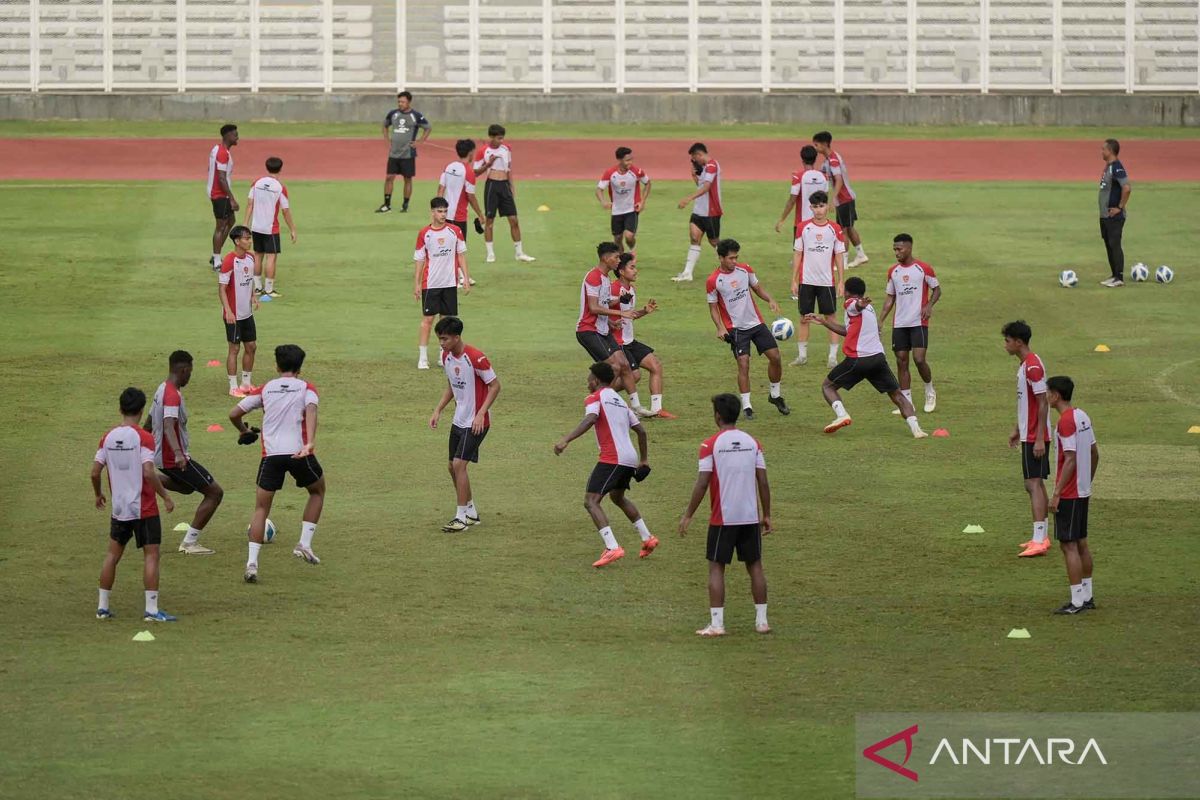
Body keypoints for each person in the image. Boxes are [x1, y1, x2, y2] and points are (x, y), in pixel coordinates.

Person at [229, 344, 326, 583]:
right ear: (300, 368)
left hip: (270, 456)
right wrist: (310, 442)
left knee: (261, 508)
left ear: (276, 365)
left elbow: (234, 413)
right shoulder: (307, 388)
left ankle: (252, 564)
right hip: (298, 453)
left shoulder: (266, 389)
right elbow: (312, 409)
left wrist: (243, 431)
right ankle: (304, 543)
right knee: (317, 491)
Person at [679, 393, 772, 637]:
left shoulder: (709, 445)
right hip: (750, 516)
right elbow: (763, 481)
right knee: (755, 566)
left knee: (716, 568)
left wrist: (688, 514)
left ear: (717, 416)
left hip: (723, 518)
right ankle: (762, 622)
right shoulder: (753, 442)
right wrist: (767, 514)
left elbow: (702, 483)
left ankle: (717, 624)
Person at [553, 362, 657, 568]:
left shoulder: (595, 397)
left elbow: (591, 419)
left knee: (591, 501)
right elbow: (642, 432)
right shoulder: (620, 400)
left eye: (588, 379)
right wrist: (643, 460)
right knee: (617, 497)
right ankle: (647, 538)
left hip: (612, 458)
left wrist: (566, 439)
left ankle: (612, 547)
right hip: (629, 458)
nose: (587, 383)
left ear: (596, 381)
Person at [92, 387, 177, 622]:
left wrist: (98, 494)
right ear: (141, 411)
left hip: (119, 509)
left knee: (112, 555)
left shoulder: (107, 437)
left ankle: (102, 607)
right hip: (145, 507)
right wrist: (166, 497)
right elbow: (149, 472)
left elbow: (95, 471)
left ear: (120, 409)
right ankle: (151, 610)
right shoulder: (143, 437)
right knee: (151, 555)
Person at [805, 277, 928, 438]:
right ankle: (917, 430)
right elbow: (847, 331)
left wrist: (858, 304)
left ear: (847, 292)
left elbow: (854, 306)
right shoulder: (869, 309)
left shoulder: (850, 304)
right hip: (877, 359)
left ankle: (842, 415)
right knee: (897, 394)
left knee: (828, 386)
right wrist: (824, 321)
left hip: (858, 359)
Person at [145, 350, 225, 555]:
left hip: (162, 457)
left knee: (188, 487)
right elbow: (167, 424)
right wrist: (179, 454)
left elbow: (149, 421)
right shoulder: (171, 395)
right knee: (214, 492)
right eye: (190, 372)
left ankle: (148, 479)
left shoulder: (161, 389)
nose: (190, 376)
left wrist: (138, 441)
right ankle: (190, 542)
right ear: (183, 370)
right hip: (173, 458)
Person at [428, 315, 501, 532]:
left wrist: (481, 414)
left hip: (476, 423)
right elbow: (452, 385)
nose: (441, 344)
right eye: (439, 339)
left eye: (444, 339)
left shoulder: (476, 358)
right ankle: (471, 512)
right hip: (459, 420)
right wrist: (438, 409)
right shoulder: (447, 356)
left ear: (457, 337)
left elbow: (495, 386)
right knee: (452, 466)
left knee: (460, 465)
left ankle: (461, 518)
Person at [705, 239, 789, 420]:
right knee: (743, 364)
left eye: (736, 257)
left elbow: (757, 288)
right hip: (735, 329)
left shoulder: (745, 270)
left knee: (775, 357)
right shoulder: (713, 281)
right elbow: (713, 307)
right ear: (720, 258)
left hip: (756, 323)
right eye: (730, 258)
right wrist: (720, 328)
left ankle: (775, 395)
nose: (734, 261)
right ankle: (747, 406)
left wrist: (770, 300)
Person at [1046, 376, 1099, 614]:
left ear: (1056, 395)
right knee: (1081, 543)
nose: (1046, 397)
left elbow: (1070, 458)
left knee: (1068, 545)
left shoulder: (1065, 422)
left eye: (1048, 393)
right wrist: (1087, 481)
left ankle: (1077, 601)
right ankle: (1087, 596)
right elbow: (1094, 453)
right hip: (1082, 490)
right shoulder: (1082, 416)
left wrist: (1056, 493)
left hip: (1069, 492)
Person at [1002, 320, 1052, 557]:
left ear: (1018, 342)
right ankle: (1041, 537)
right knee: (1035, 483)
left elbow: (1043, 403)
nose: (1005, 345)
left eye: (1007, 340)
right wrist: (1017, 429)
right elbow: (1028, 403)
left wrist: (1039, 438)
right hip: (1030, 433)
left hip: (1036, 435)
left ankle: (1039, 540)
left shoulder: (1032, 367)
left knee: (1032, 484)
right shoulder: (1027, 364)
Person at [575, 243, 644, 413]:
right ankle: (596, 398)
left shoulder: (605, 278)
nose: (618, 261)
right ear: (605, 258)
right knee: (613, 367)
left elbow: (603, 303)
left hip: (602, 329)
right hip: (588, 330)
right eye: (616, 257)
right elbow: (593, 307)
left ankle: (636, 407)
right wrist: (621, 313)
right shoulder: (594, 277)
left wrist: (618, 303)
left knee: (625, 365)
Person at [880, 233, 941, 415]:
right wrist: (881, 320)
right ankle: (907, 403)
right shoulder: (893, 271)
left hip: (918, 321)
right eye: (895, 250)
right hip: (900, 323)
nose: (897, 253)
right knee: (901, 361)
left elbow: (937, 289)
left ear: (909, 247)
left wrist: (929, 305)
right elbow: (890, 298)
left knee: (919, 359)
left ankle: (929, 390)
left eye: (899, 249)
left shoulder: (923, 268)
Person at [790, 190, 846, 368]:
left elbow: (839, 256)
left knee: (831, 318)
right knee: (804, 318)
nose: (819, 210)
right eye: (815, 207)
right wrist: (793, 280)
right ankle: (802, 356)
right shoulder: (802, 227)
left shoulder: (835, 229)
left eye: (822, 206)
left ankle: (832, 357)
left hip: (826, 282)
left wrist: (841, 280)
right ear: (810, 208)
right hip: (806, 281)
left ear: (827, 207)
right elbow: (798, 254)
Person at [612, 253, 671, 418]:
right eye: (632, 267)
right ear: (622, 271)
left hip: (630, 341)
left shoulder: (631, 289)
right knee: (634, 376)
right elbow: (602, 313)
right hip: (619, 342)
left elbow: (629, 314)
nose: (636, 271)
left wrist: (644, 311)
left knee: (655, 366)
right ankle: (601, 393)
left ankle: (657, 409)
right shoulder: (614, 289)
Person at [414, 197, 470, 370]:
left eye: (445, 211)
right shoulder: (425, 233)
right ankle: (423, 357)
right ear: (432, 212)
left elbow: (460, 255)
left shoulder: (455, 231)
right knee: (428, 320)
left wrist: (465, 278)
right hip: (430, 284)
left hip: (449, 283)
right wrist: (416, 283)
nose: (443, 214)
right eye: (439, 211)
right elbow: (419, 260)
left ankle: (443, 356)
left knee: (446, 322)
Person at [473, 124, 536, 263]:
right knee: (490, 221)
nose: (501, 141)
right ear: (491, 137)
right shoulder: (482, 151)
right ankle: (490, 253)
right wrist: (488, 164)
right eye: (498, 138)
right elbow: (475, 172)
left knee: (514, 219)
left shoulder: (506, 149)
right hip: (492, 186)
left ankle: (519, 253)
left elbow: (509, 169)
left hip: (504, 186)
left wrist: (512, 186)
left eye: (502, 138)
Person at [812, 131, 867, 268]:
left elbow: (839, 180)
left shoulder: (833, 160)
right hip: (845, 199)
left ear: (824, 144)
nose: (815, 148)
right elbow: (822, 176)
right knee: (848, 227)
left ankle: (844, 262)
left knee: (843, 230)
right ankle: (861, 255)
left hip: (844, 199)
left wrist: (832, 200)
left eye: (816, 144)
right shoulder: (827, 161)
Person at [244, 156, 296, 299]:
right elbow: (285, 211)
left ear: (267, 168)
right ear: (280, 169)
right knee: (271, 258)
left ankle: (257, 288)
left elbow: (250, 204)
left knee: (258, 256)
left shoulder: (257, 183)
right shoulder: (280, 188)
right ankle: (269, 289)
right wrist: (292, 229)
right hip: (271, 228)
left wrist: (245, 224)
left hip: (256, 227)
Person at [218, 225, 260, 397]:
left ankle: (246, 383)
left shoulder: (250, 258)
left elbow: (248, 280)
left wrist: (253, 296)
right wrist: (228, 311)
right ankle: (233, 387)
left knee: (251, 346)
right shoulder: (229, 261)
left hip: (247, 313)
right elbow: (222, 289)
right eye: (246, 238)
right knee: (234, 349)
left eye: (250, 238)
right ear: (237, 241)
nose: (249, 241)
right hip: (233, 314)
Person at [672, 143, 723, 282]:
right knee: (694, 238)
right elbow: (701, 185)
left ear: (699, 154)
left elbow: (706, 188)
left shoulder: (712, 166)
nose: (694, 161)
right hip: (699, 210)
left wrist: (688, 199)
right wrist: (694, 176)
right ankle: (687, 273)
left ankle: (731, 265)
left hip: (711, 211)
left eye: (695, 158)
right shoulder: (704, 168)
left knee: (714, 242)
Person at [438, 138, 486, 286]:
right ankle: (456, 278)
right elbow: (470, 196)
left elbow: (440, 189)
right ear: (471, 153)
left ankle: (460, 275)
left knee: (450, 247)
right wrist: (480, 214)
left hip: (445, 214)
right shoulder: (469, 172)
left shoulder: (449, 166)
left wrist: (438, 211)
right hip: (459, 216)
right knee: (458, 248)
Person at [377, 91, 431, 213]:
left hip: (408, 154)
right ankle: (386, 205)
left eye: (403, 102)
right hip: (394, 153)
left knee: (407, 179)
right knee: (389, 177)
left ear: (409, 102)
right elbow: (385, 125)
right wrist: (386, 139)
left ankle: (405, 205)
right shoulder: (393, 114)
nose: (400, 104)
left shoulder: (416, 115)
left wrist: (420, 141)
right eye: (399, 101)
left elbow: (428, 127)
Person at [596, 146, 651, 254]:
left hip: (632, 209)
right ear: (620, 160)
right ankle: (621, 261)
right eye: (627, 160)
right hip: (617, 210)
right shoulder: (610, 173)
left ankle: (632, 251)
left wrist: (642, 201)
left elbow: (648, 183)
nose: (630, 162)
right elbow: (599, 190)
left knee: (629, 236)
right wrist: (603, 202)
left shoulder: (637, 171)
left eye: (631, 159)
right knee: (617, 239)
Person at [1098, 138, 1132, 287]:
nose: (1102, 152)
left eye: (1103, 149)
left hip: (1114, 216)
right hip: (1105, 215)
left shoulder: (1116, 167)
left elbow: (1127, 188)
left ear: (1110, 151)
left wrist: (1120, 206)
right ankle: (1114, 275)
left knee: (1115, 244)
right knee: (1109, 245)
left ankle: (1119, 277)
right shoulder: (1108, 167)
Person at [775, 144, 827, 237]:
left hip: (802, 224)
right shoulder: (823, 176)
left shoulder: (798, 177)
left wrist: (782, 219)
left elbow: (792, 201)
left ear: (802, 160)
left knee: (799, 251)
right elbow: (825, 198)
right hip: (820, 222)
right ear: (815, 159)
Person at [207, 123, 239, 270]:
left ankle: (216, 254)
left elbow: (211, 169)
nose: (237, 137)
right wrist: (231, 198)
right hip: (220, 194)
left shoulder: (216, 149)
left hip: (217, 192)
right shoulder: (222, 153)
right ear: (227, 136)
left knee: (231, 220)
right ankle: (217, 260)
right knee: (220, 226)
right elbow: (221, 178)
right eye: (234, 134)